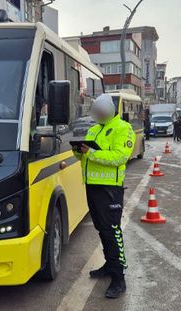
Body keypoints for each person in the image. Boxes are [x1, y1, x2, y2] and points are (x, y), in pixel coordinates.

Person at [73, 94, 136, 299]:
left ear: (109, 110)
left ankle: (119, 278)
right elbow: (87, 156)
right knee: (101, 229)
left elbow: (120, 157)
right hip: (92, 186)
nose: (98, 115)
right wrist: (79, 151)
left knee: (112, 231)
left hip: (110, 189)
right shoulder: (93, 128)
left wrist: (90, 153)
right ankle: (110, 265)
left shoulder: (123, 128)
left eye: (101, 112)